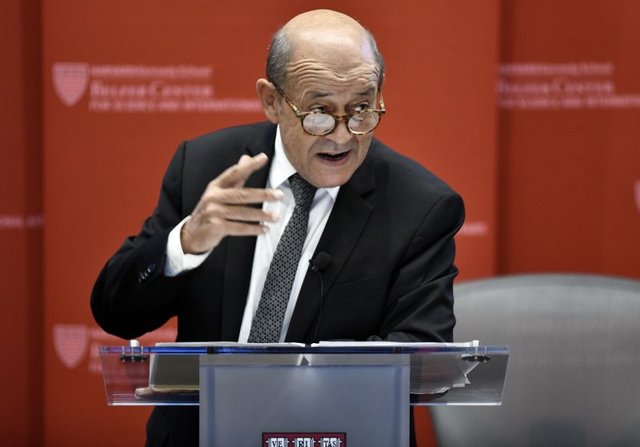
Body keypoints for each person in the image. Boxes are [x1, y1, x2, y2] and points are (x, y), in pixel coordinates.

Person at [91, 9, 464, 446]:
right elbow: (116, 312)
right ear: (272, 101)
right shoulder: (206, 166)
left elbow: (423, 354)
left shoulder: (420, 206)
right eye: (319, 111)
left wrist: (280, 389)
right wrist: (186, 243)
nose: (342, 135)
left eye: (361, 109)